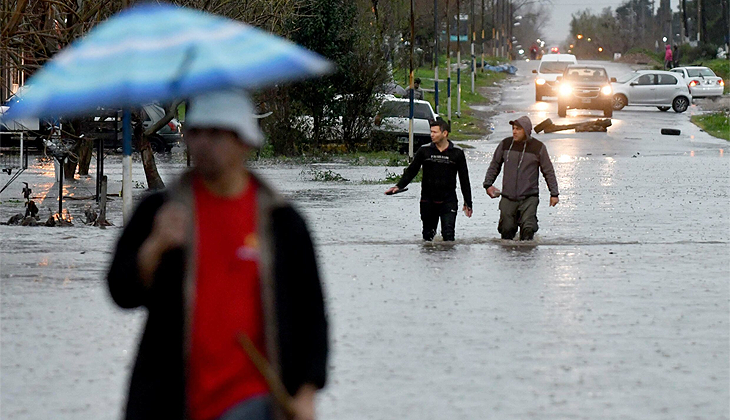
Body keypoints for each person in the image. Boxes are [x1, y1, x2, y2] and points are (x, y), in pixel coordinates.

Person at [107, 90, 328, 420]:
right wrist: (155, 246)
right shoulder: (160, 212)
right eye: (196, 132)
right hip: (169, 399)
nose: (203, 142)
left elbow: (311, 313)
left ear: (245, 141)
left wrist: (307, 393)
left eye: (216, 132)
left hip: (253, 399)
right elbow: (120, 291)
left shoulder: (281, 221)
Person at [385, 118, 472, 241]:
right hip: (428, 200)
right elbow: (412, 170)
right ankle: (428, 258)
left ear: (445, 133)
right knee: (428, 236)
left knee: (448, 235)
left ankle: (448, 258)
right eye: (431, 132)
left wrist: (468, 202)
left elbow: (464, 179)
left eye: (435, 132)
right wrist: (398, 186)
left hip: (449, 200)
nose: (431, 135)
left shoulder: (457, 152)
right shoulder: (424, 150)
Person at [482, 116, 559, 241]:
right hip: (508, 197)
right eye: (513, 128)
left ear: (526, 130)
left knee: (528, 230)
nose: (514, 132)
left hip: (529, 197)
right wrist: (488, 184)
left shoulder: (538, 147)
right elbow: (494, 165)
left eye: (518, 129)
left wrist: (554, 193)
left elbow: (548, 171)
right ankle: (509, 260)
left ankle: (526, 258)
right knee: (506, 232)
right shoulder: (505, 144)